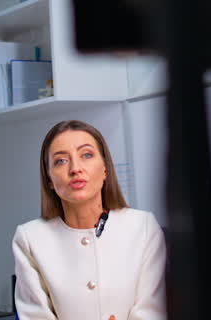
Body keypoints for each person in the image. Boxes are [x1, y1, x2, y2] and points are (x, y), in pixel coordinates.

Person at [12, 120, 166, 320]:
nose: (75, 168)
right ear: (49, 179)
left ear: (105, 168)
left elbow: (153, 311)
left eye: (86, 155)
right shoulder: (30, 239)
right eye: (61, 161)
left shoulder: (143, 227)